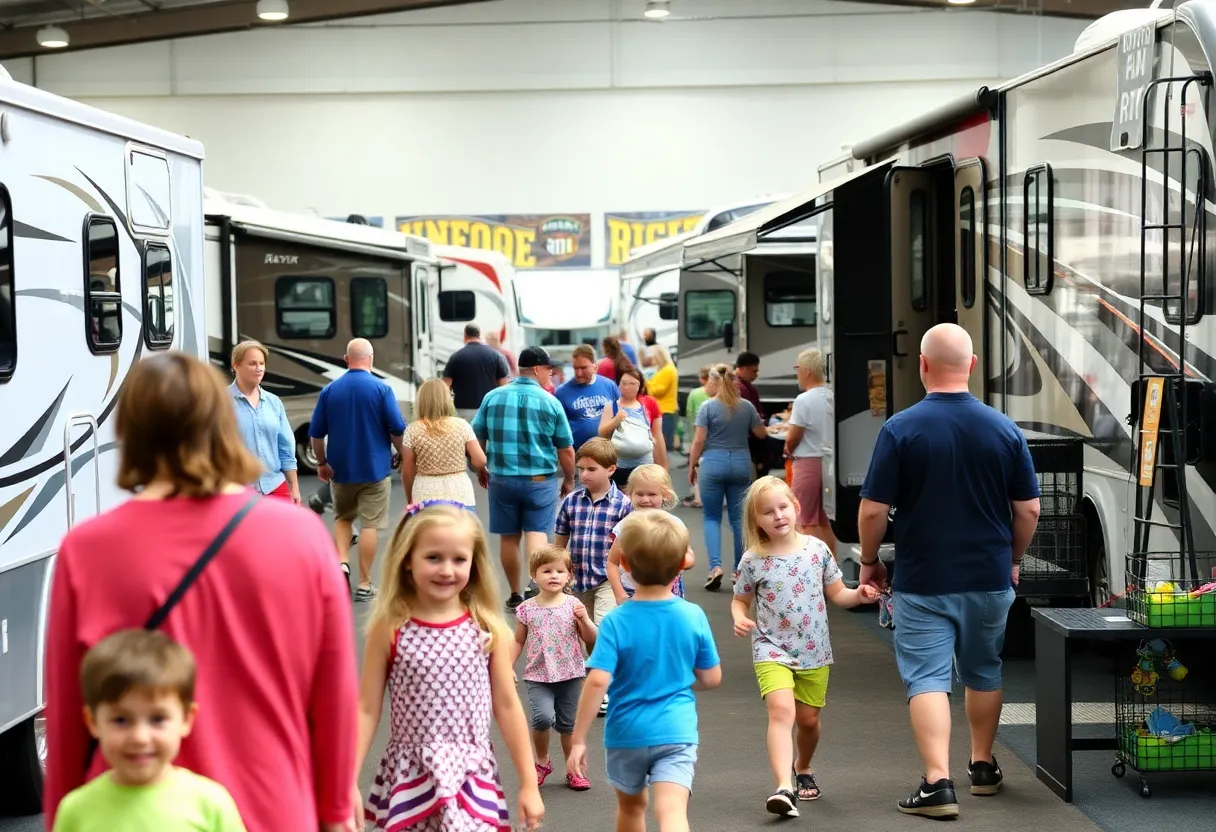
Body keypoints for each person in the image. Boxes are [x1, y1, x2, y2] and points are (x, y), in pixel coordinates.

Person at [43, 351, 357, 832]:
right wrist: (334, 809)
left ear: (128, 433)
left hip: (130, 817)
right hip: (274, 807)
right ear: (220, 423)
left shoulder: (86, 552)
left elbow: (67, 720)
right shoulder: (302, 537)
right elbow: (333, 698)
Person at [857, 323, 1041, 819]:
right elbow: (1028, 510)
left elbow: (874, 510)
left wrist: (871, 562)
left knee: (928, 679)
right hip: (988, 577)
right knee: (984, 670)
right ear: (973, 366)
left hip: (923, 579)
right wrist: (1014, 559)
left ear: (922, 365)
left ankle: (937, 784)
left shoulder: (901, 428)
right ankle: (982, 767)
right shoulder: (1004, 429)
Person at [354, 502, 544, 831]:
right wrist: (346, 782)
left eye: (459, 559)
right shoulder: (390, 628)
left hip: (471, 774)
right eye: (433, 557)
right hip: (411, 775)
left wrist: (529, 783)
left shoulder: (487, 627)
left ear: (474, 564)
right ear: (407, 561)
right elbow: (367, 709)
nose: (446, 570)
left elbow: (507, 705)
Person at [731, 477, 880, 818]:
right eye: (767, 512)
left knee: (809, 721)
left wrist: (859, 594)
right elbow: (740, 600)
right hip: (771, 649)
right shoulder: (753, 559)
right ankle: (784, 787)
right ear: (757, 521)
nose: (778, 516)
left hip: (813, 650)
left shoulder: (816, 550)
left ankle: (803, 765)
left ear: (796, 508)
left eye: (783, 507)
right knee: (782, 713)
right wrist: (739, 617)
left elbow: (838, 594)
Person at [567, 511, 722, 832]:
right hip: (676, 730)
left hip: (627, 733)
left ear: (624, 564)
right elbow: (711, 677)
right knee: (672, 811)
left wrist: (579, 739)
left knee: (632, 809)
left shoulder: (615, 621)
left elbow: (597, 681)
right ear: (682, 564)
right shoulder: (692, 615)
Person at [52, 630, 246, 832]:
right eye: (121, 720)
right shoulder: (76, 810)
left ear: (187, 719)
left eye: (157, 719)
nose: (140, 738)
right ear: (92, 722)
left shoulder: (210, 804)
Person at [472, 345, 576, 611]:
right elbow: (565, 447)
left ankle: (515, 593)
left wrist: (481, 467)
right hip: (539, 480)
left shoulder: (492, 397)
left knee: (508, 537)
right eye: (549, 370)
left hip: (502, 478)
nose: (550, 375)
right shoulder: (550, 401)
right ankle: (536, 589)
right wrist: (569, 479)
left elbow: (475, 437)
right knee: (536, 532)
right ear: (539, 369)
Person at [309, 338, 407, 601]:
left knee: (342, 518)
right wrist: (401, 454)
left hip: (340, 470)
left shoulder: (330, 390)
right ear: (371, 359)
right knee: (370, 525)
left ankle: (342, 563)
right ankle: (364, 584)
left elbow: (316, 435)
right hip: (375, 470)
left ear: (346, 359)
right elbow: (397, 428)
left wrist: (321, 462)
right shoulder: (382, 389)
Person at [511, 545, 599, 792]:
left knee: (568, 726)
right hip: (538, 675)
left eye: (560, 571)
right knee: (542, 718)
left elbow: (591, 638)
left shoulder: (573, 605)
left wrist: (584, 619)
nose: (553, 576)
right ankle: (541, 761)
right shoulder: (526, 608)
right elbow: (518, 640)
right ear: (533, 575)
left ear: (569, 576)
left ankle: (574, 769)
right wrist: (507, 666)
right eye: (546, 570)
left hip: (570, 674)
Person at [688, 363, 768, 591]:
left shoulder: (708, 407)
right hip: (741, 464)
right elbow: (761, 434)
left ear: (713, 383)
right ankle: (738, 570)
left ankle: (715, 567)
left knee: (711, 516)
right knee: (737, 519)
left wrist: (692, 465)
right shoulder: (747, 406)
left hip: (713, 463)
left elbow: (699, 440)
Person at [605, 464, 693, 603]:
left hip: (668, 590)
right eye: (639, 494)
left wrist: (673, 564)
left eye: (652, 494)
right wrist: (619, 593)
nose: (645, 500)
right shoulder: (626, 527)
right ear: (629, 494)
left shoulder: (673, 524)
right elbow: (612, 562)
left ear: (665, 495)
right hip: (633, 591)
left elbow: (688, 556)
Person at [228, 339, 300, 503]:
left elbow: (286, 448)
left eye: (261, 363)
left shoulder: (274, 402)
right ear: (236, 365)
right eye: (252, 363)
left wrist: (294, 487)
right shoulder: (221, 401)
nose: (259, 368)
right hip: (238, 490)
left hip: (274, 486)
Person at [784, 348, 837, 558]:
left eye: (797, 369)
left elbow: (793, 437)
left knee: (805, 519)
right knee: (825, 519)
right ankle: (832, 564)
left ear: (806, 371)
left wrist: (788, 448)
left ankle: (816, 564)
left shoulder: (804, 400)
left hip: (807, 462)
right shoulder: (833, 395)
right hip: (830, 461)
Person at [401, 378, 486, 507]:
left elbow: (408, 471)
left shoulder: (412, 430)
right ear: (447, 399)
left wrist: (409, 499)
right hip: (459, 491)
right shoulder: (462, 425)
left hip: (425, 494)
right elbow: (480, 461)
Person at [597, 366, 666, 487]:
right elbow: (602, 434)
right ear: (618, 385)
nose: (627, 387)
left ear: (640, 386)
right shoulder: (611, 406)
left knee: (643, 499)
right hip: (619, 466)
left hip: (646, 465)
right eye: (624, 383)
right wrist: (616, 420)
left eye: (632, 384)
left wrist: (662, 468)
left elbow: (657, 437)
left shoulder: (649, 403)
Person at [555, 344, 619, 451]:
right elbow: (558, 429)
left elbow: (619, 415)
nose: (579, 373)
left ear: (594, 365)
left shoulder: (609, 385)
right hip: (579, 454)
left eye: (583, 368)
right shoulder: (562, 392)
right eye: (575, 368)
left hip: (607, 452)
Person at [443, 323, 510, 420]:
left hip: (463, 410)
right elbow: (504, 387)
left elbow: (445, 387)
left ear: (465, 336)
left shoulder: (456, 357)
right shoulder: (496, 356)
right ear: (479, 335)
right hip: (488, 408)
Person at [680, 366, 712, 508]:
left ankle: (698, 496)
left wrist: (690, 439)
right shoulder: (719, 394)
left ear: (702, 378)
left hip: (698, 434)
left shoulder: (694, 393)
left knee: (696, 466)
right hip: (713, 437)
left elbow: (690, 415)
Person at [647, 345, 679, 457]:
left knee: (664, 444)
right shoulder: (664, 370)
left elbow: (660, 390)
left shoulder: (667, 370)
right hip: (663, 410)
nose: (651, 359)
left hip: (665, 410)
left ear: (659, 356)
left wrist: (646, 385)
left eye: (653, 356)